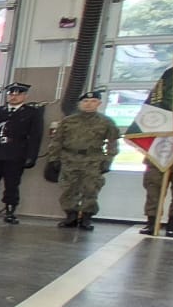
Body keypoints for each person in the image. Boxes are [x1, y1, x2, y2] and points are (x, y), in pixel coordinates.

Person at [43, 89, 123, 230]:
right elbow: (57, 141)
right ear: (80, 104)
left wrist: (108, 160)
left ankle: (86, 217)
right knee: (68, 189)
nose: (88, 104)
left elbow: (112, 143)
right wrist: (54, 159)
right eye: (85, 101)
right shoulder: (68, 121)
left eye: (93, 101)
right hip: (69, 159)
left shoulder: (106, 122)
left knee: (91, 189)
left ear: (99, 103)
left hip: (93, 160)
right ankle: (71, 216)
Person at [0, 82, 43, 224]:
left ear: (25, 96)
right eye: (11, 94)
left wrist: (31, 156)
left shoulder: (32, 113)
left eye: (18, 94)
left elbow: (35, 136)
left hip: (15, 154)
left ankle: (10, 212)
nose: (14, 97)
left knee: (12, 184)